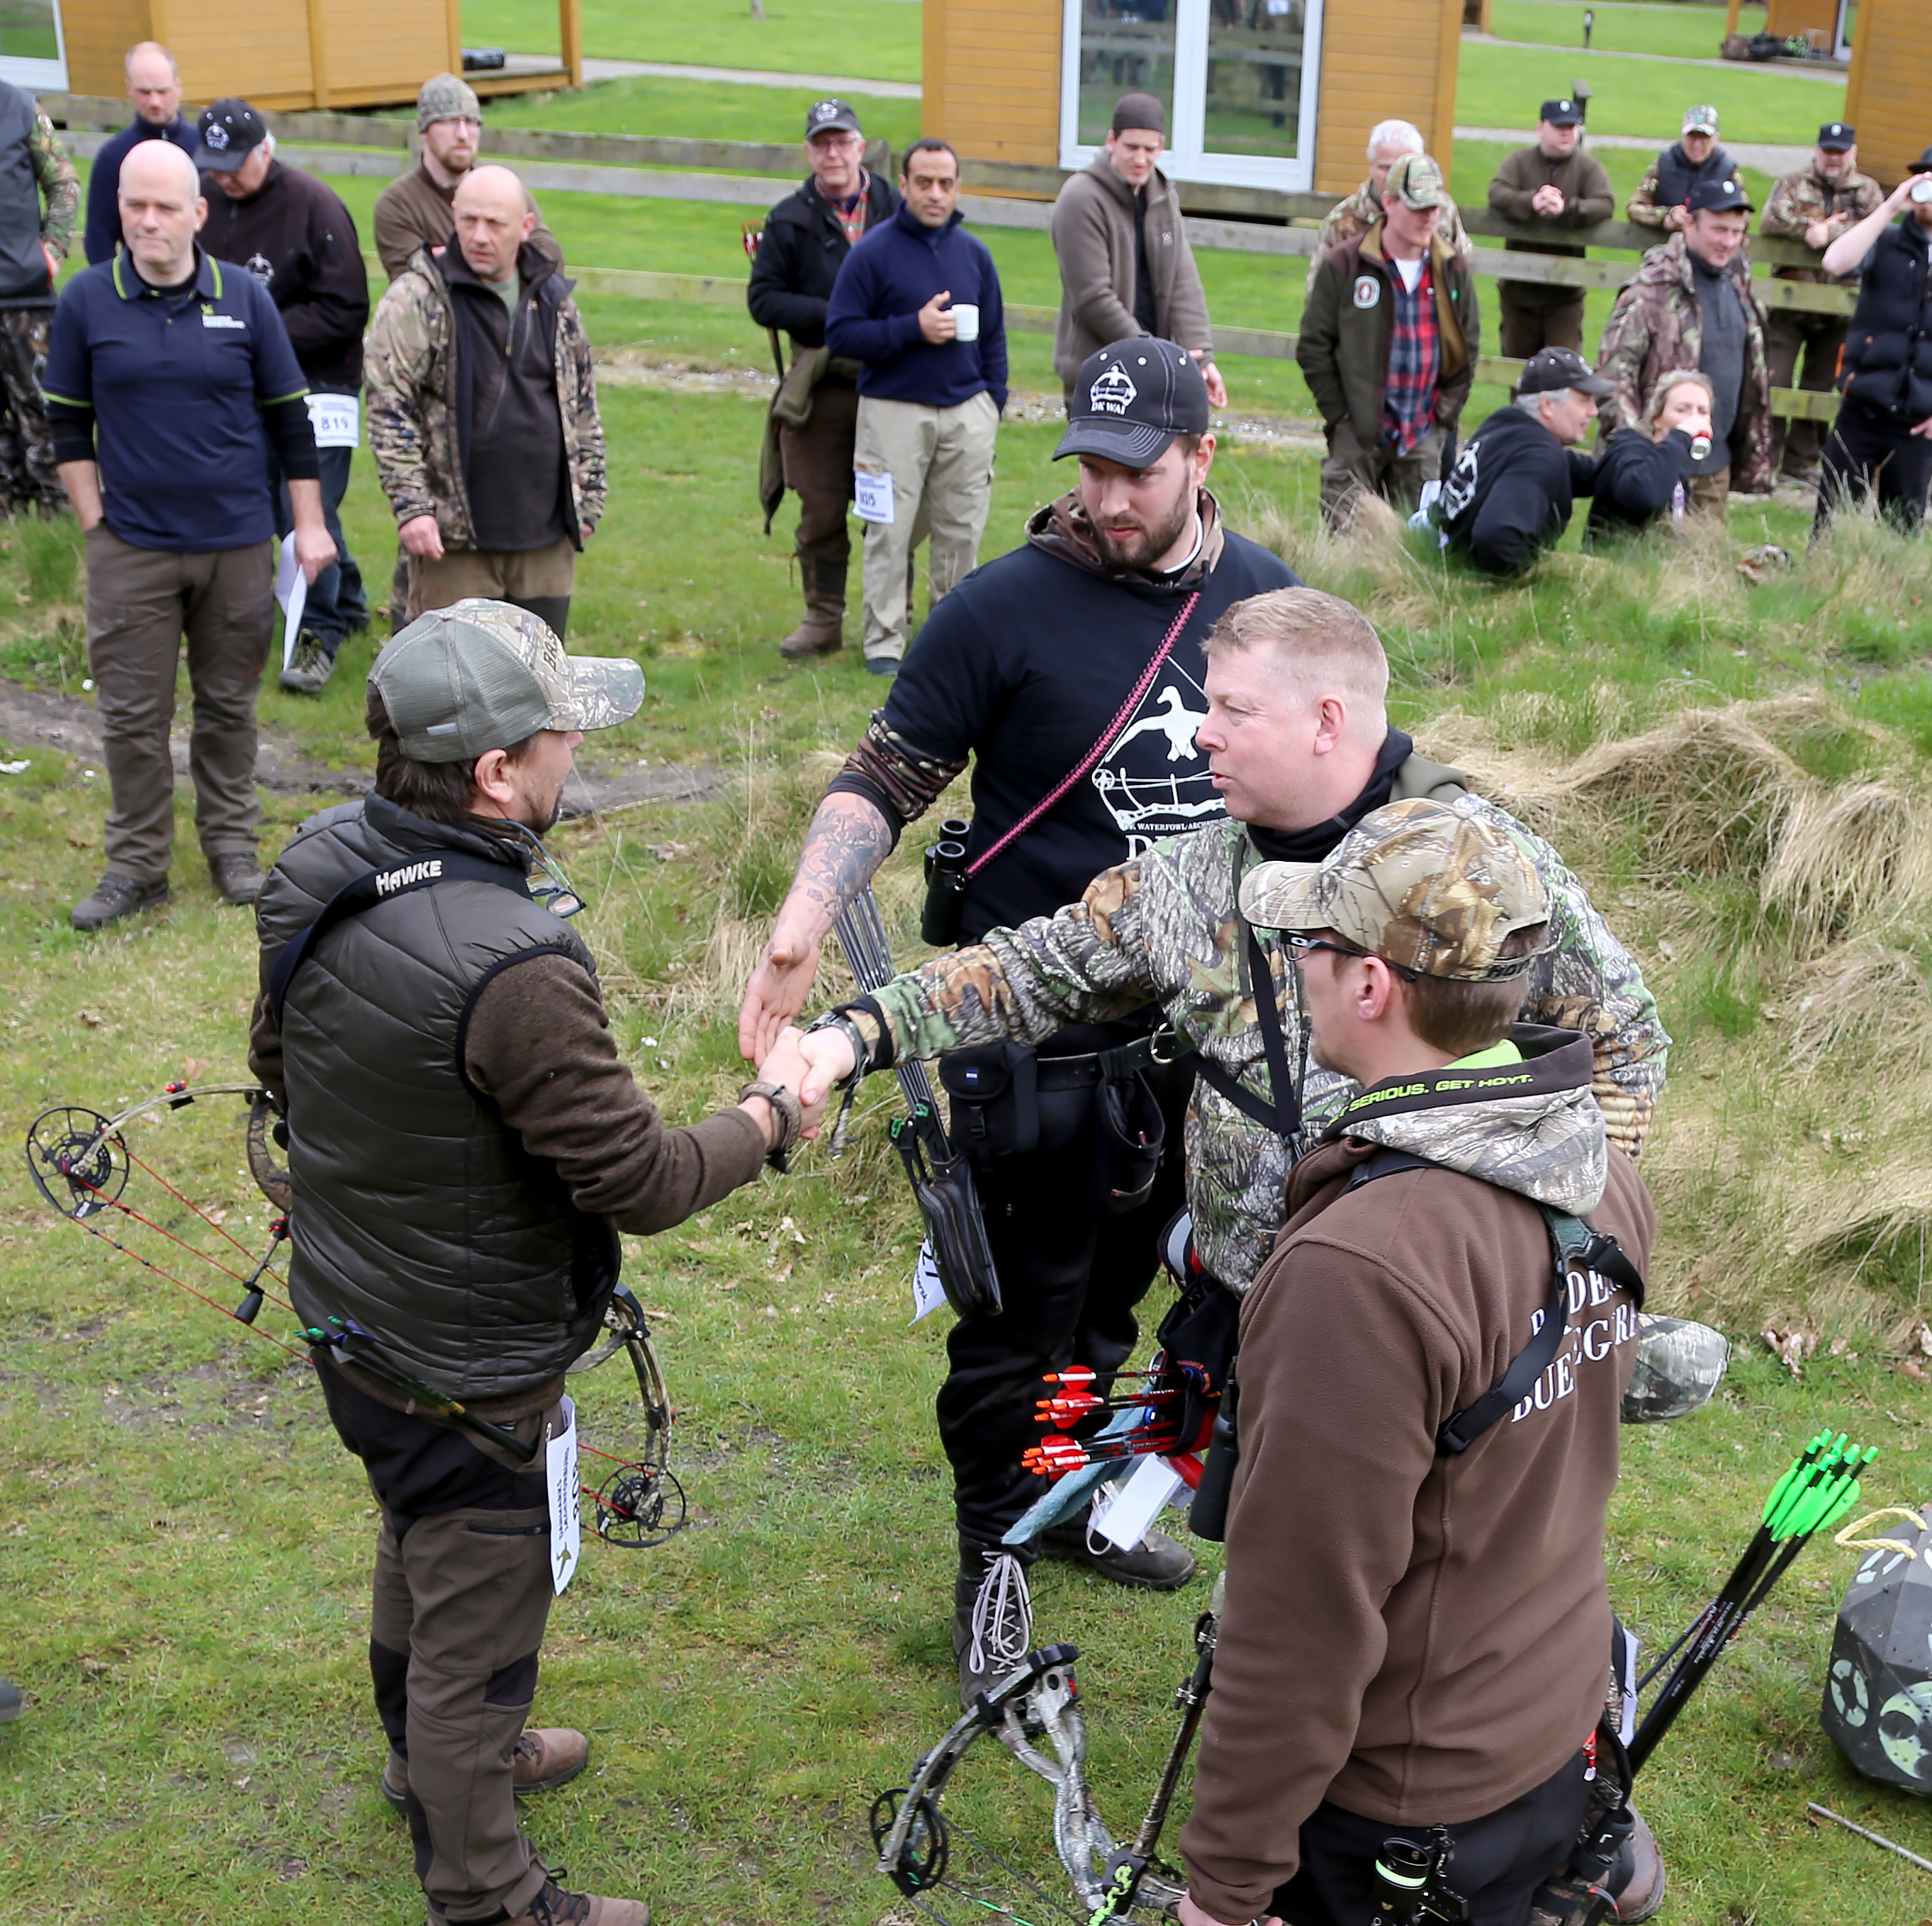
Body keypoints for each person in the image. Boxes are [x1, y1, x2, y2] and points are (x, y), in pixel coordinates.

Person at [790, 590, 1705, 1772]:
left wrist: (1560, 1226)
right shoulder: (1195, 872)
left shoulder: (1476, 870)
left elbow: (1626, 1039)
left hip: (1433, 1311)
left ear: (1329, 720)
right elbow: (1042, 962)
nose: (1196, 734)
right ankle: (1185, 1648)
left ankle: (1512, 1777)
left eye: (1226, 709)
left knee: (1453, 1558)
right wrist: (857, 1031)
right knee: (1266, 1524)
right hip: (1249, 1299)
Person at [741, 342, 1301, 1704]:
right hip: (1028, 1037)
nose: (1108, 497)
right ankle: (989, 1555)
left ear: (1202, 460)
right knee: (1012, 1323)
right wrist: (807, 917)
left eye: (1137, 471)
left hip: (1204, 1051)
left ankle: (1065, 1501)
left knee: (1124, 1305)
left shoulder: (1268, 603)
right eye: (1091, 468)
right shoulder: (1000, 608)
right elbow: (885, 773)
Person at [249, 599, 819, 1926]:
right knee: (480, 1626)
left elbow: (279, 1062)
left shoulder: (318, 856)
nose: (579, 746)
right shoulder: (517, 960)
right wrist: (776, 1113)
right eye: (562, 729)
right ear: (498, 773)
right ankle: (487, 1889)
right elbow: (644, 1178)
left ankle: (425, 1765)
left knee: (424, 1537)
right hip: (466, 1352)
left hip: (356, 1310)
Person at [1167, 799, 1664, 1926]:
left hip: (1396, 1802)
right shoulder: (1597, 1173)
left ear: (1371, 987)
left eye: (1311, 945)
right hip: (1546, 1733)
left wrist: (1225, 1887)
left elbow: (1298, 1619)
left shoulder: (1358, 1268)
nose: (1292, 966)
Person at [43, 140, 333, 930]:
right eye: (134, 206)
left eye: (166, 206)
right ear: (119, 212)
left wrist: (308, 525)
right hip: (131, 547)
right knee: (133, 717)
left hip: (237, 546)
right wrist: (94, 521)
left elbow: (289, 420)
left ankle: (232, 849)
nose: (148, 221)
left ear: (198, 214)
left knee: (228, 707)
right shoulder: (86, 302)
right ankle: (137, 865)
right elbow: (67, 422)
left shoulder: (244, 297)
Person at [366, 164, 605, 638]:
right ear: (453, 214)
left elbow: (582, 404)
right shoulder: (417, 298)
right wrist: (413, 508)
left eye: (495, 223)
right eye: (469, 220)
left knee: (537, 689)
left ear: (526, 227)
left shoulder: (554, 300)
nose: (479, 235)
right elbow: (388, 406)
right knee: (452, 692)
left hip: (545, 540)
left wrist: (590, 499)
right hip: (455, 545)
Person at [197, 97, 370, 693]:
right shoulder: (204, 201)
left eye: (234, 164)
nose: (223, 176)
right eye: (214, 164)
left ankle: (319, 632)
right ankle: (347, 603)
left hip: (322, 380)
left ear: (265, 151)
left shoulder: (314, 205)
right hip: (248, 380)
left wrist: (263, 332)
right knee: (278, 505)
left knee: (309, 504)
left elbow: (347, 306)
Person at [825, 137, 1007, 675]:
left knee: (960, 529)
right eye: (923, 182)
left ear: (957, 188)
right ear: (903, 185)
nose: (935, 193)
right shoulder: (873, 253)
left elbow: (994, 338)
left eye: (945, 183)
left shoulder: (974, 255)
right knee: (889, 529)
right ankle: (884, 641)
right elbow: (841, 333)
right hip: (891, 413)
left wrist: (991, 403)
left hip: (965, 413)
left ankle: (948, 637)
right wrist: (913, 329)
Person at [746, 97, 898, 661]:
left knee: (890, 509)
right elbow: (763, 299)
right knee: (820, 506)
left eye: (843, 141)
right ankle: (822, 618)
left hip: (891, 379)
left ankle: (891, 621)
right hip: (821, 387)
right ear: (810, 151)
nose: (832, 152)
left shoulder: (894, 207)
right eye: (822, 143)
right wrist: (838, 318)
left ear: (862, 147)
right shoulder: (789, 219)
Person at [1298, 153, 1480, 530]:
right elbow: (1314, 345)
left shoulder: (1452, 268)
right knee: (1344, 551)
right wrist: (1342, 418)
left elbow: (1468, 347)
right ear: (1390, 203)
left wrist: (1441, 421)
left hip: (1422, 436)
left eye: (1434, 208)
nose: (1428, 218)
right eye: (1417, 208)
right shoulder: (1345, 264)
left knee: (1415, 551)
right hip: (1357, 437)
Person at [1597, 176, 1771, 517]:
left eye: (1737, 233)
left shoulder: (1739, 287)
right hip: (1658, 465)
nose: (1728, 242)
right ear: (1689, 222)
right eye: (1719, 230)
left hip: (1715, 465)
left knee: (1705, 565)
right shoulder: (1649, 293)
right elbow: (1613, 380)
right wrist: (1640, 458)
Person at [1050, 91, 1226, 411]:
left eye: (1151, 149)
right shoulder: (1081, 198)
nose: (1141, 159)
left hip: (1154, 373)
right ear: (1111, 142)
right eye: (1132, 147)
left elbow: (1182, 282)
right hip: (1099, 374)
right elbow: (1092, 297)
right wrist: (1151, 354)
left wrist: (1202, 355)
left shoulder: (1162, 197)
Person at [1810, 152, 1932, 538]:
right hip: (1861, 408)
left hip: (1918, 422)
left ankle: (1883, 596)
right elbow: (1835, 262)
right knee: (1831, 521)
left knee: (1901, 531)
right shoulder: (1887, 239)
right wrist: (1892, 205)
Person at [1758, 123, 1881, 488]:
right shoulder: (1793, 183)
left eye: (1840, 151)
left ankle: (1800, 463)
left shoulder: (1868, 190)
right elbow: (1770, 220)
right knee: (1774, 379)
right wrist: (1808, 229)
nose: (1833, 157)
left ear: (1853, 153)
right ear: (1817, 151)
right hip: (1790, 303)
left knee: (1821, 385)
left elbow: (1877, 228)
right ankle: (1764, 458)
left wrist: (1832, 233)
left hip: (1841, 310)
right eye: (1827, 150)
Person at [1439, 346, 1615, 576]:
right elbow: (1496, 538)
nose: (1594, 411)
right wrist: (1535, 582)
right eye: (1584, 400)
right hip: (1465, 587)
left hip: (1439, 560)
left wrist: (1627, 459)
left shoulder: (1503, 425)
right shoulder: (1540, 454)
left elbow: (1573, 468)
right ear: (1548, 406)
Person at [371, 72, 558, 284]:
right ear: (424, 131)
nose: (462, 134)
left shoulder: (502, 190)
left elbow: (550, 259)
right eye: (449, 121)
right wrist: (505, 258)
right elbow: (415, 284)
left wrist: (445, 258)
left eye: (470, 122)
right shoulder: (398, 203)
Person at [1485, 98, 1614, 358]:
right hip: (1518, 292)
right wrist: (1531, 202)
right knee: (1518, 373)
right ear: (1540, 128)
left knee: (1563, 374)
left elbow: (1605, 203)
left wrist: (1567, 209)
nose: (1566, 133)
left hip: (1565, 295)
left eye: (1572, 126)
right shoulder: (1520, 161)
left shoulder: (1587, 167)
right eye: (1558, 126)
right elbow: (1497, 191)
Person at [0, 77, 76, 514]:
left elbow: (64, 183)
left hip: (26, 299)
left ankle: (58, 516)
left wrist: (52, 252)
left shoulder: (21, 108)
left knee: (43, 413)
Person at [1306, 118, 1468, 296]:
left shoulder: (1442, 210)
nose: (1393, 177)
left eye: (1403, 168)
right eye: (1386, 168)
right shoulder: (1343, 220)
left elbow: (1461, 267)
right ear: (1370, 166)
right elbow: (1319, 292)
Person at [83, 41, 196, 268]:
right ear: (129, 88)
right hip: (138, 283)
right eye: (144, 92)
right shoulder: (113, 156)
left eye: (163, 91)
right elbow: (99, 238)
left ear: (178, 86)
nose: (154, 102)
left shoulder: (203, 148)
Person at [1586, 370, 1714, 547]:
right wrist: (1680, 435)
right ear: (1657, 419)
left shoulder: (1675, 462)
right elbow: (1645, 497)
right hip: (1614, 567)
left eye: (1702, 412)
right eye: (1682, 409)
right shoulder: (1631, 448)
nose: (1693, 419)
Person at [1627, 105, 1735, 231]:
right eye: (1692, 136)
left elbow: (1742, 217)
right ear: (1682, 136)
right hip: (1664, 247)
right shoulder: (1664, 163)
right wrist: (1666, 216)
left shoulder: (1727, 169)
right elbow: (1634, 208)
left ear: (1716, 139)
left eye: (1704, 138)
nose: (1697, 144)